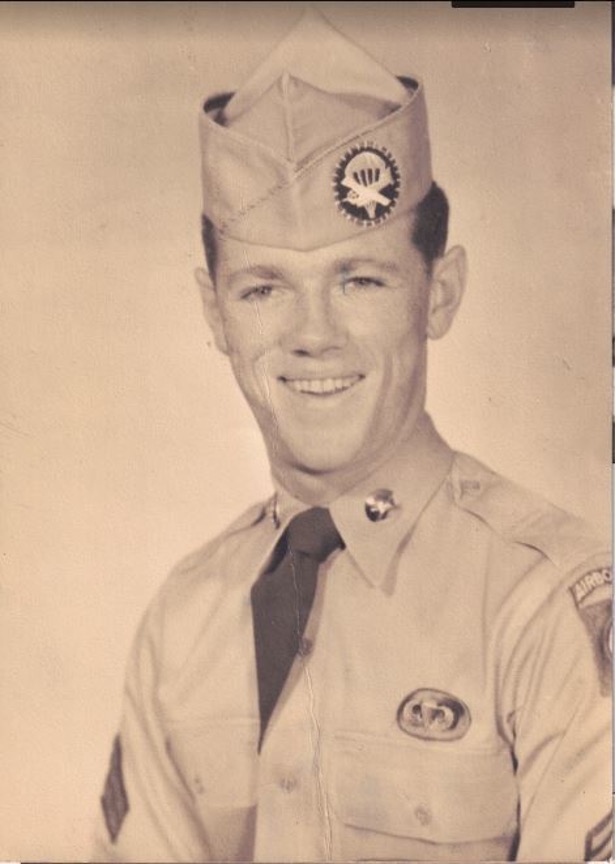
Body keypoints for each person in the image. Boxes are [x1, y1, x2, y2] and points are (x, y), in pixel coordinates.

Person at [92, 8, 612, 863]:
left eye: (359, 279)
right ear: (213, 313)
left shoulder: (548, 610)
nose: (313, 336)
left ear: (438, 293)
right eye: (263, 289)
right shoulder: (182, 624)